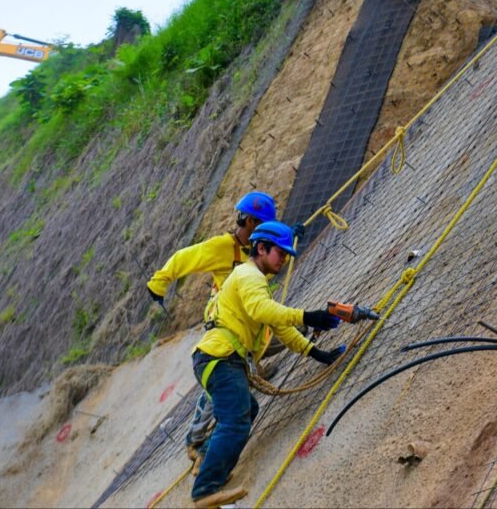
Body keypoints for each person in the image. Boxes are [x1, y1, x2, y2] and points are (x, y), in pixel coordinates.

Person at [189, 221, 347, 507]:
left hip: (219, 359)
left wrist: (315, 353)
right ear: (261, 248)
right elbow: (262, 310)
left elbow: (279, 326)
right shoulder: (249, 275)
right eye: (280, 253)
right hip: (220, 358)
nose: (284, 260)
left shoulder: (252, 281)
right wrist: (309, 316)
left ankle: (206, 460)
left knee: (248, 409)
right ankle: (205, 490)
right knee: (236, 421)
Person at [146, 191, 277, 466]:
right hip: (224, 327)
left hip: (248, 323)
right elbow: (186, 257)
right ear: (251, 222)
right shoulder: (223, 248)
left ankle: (256, 370)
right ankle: (195, 440)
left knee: (268, 343)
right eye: (264, 226)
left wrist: (289, 235)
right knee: (220, 384)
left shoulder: (254, 248)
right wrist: (159, 283)